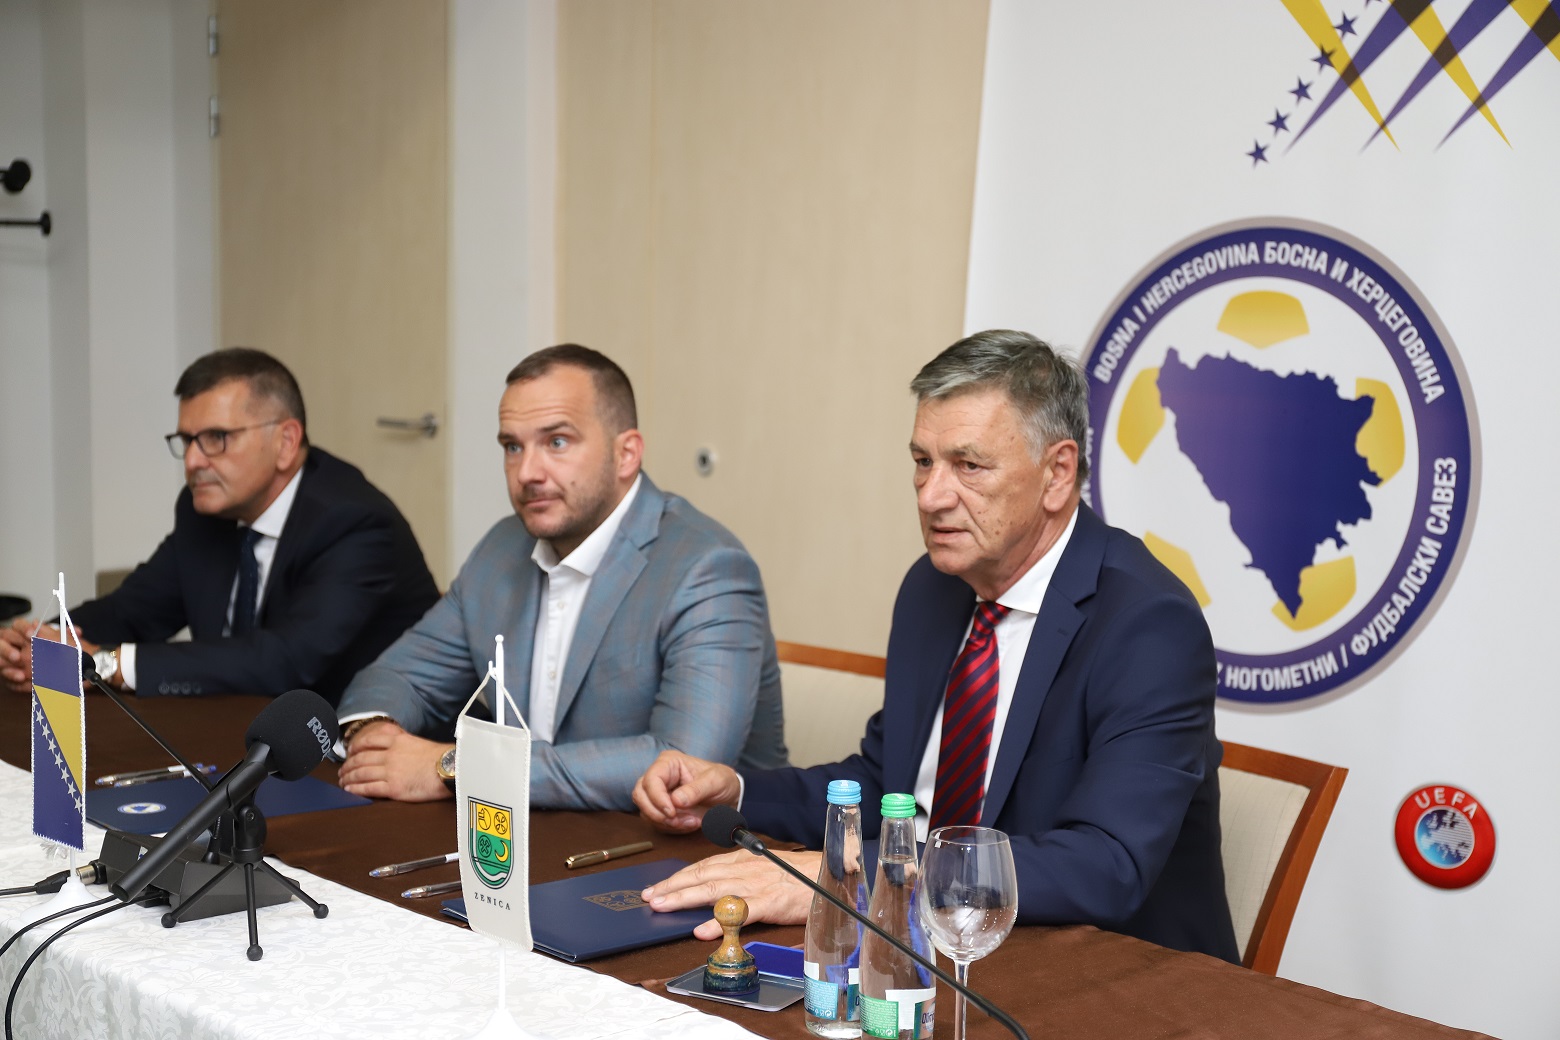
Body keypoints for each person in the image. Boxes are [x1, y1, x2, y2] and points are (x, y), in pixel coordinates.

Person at [633, 329, 1239, 963]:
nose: (930, 496)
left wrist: (852, 877)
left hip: (1114, 972)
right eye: (923, 461)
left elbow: (1105, 865)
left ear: (1058, 473)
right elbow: (889, 785)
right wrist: (737, 793)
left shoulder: (1147, 623)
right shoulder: (934, 589)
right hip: (926, 944)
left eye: (968, 466)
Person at [334, 344, 787, 811]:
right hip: (528, 832)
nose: (527, 472)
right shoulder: (501, 549)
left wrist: (460, 767)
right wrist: (375, 735)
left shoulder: (707, 568)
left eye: (557, 442)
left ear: (626, 453)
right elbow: (397, 677)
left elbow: (683, 767)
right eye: (513, 447)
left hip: (696, 846)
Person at [0, 348, 439, 704]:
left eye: (216, 438)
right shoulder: (204, 511)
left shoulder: (354, 522)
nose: (193, 461)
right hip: (239, 731)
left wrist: (105, 664)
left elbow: (286, 661)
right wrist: (36, 642)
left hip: (354, 746)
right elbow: (130, 611)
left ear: (286, 441)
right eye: (187, 440)